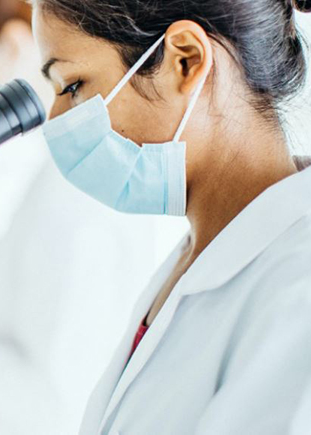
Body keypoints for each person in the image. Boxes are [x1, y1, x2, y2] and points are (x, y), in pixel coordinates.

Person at [29, 0, 311, 433]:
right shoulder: (199, 253)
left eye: (72, 85)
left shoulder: (297, 290)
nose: (55, 120)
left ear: (186, 60)